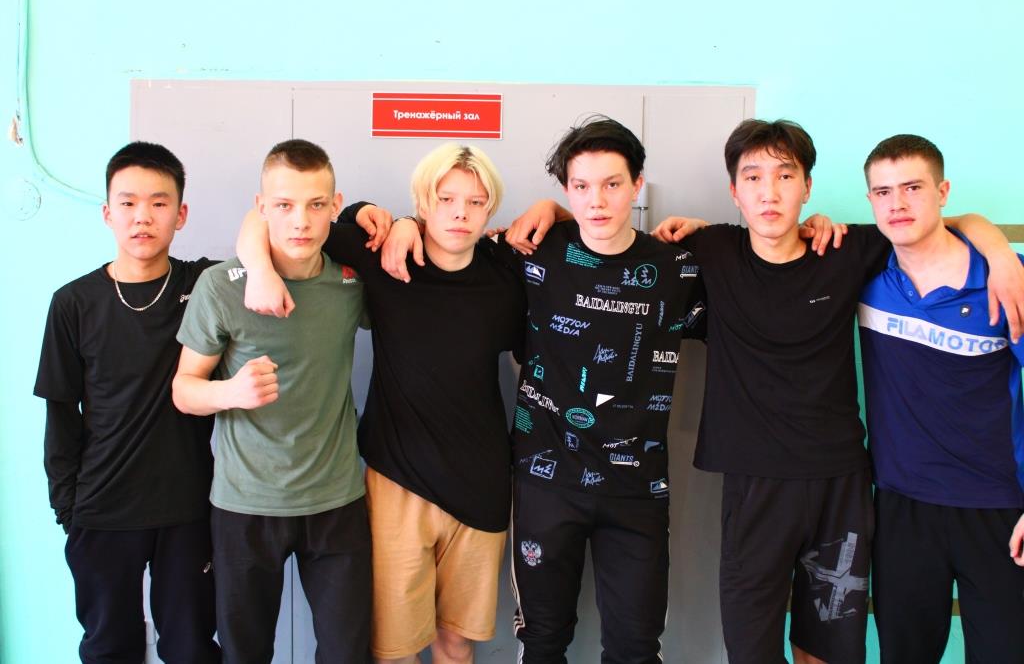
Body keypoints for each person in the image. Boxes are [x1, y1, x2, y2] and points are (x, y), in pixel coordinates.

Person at [504, 118, 1024, 664]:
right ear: (734, 191)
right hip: (747, 485)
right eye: (753, 178)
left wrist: (999, 252)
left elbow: (924, 223)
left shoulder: (846, 250)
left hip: (839, 484)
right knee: (747, 650)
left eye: (785, 176)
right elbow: (597, 226)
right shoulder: (708, 250)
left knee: (825, 649)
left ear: (808, 187)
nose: (769, 192)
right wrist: (551, 209)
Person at [384, 117, 707, 663]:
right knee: (541, 641)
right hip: (544, 481)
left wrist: (711, 233)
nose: (596, 201)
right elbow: (449, 237)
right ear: (565, 190)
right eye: (581, 186)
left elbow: (756, 277)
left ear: (637, 185)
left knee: (635, 647)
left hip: (637, 489)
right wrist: (401, 223)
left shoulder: (678, 268)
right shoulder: (530, 252)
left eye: (612, 184)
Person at [237, 142, 526, 664]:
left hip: (481, 483)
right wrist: (258, 269)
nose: (460, 213)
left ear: (491, 210)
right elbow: (272, 218)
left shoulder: (507, 272)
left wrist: (549, 208)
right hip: (396, 480)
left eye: (475, 202)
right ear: (422, 202)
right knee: (393, 650)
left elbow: (577, 232)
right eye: (445, 199)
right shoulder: (382, 254)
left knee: (457, 642)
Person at [173, 139, 383, 664]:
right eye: (284, 205)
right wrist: (230, 392)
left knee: (347, 654)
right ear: (261, 207)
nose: (301, 221)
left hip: (335, 500)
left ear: (335, 206)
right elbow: (183, 389)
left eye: (316, 204)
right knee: (244, 654)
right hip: (245, 505)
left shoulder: (351, 282)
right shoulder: (221, 286)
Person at [34, 141, 221, 664]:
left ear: (181, 214)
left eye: (160, 203)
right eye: (129, 203)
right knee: (108, 649)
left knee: (191, 648)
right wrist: (68, 509)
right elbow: (60, 415)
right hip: (101, 509)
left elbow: (276, 244)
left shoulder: (204, 286)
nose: (143, 216)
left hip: (188, 508)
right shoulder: (73, 303)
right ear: (107, 213)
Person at [858, 134, 1024, 663]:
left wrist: (1000, 252)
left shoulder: (1005, 279)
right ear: (871, 201)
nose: (897, 204)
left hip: (999, 509)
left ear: (942, 192)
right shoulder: (864, 274)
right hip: (901, 508)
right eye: (883, 192)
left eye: (913, 187)